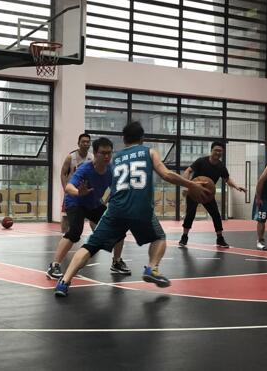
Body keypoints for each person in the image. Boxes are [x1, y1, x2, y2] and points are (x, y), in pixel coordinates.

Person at [54, 121, 211, 297]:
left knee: (90, 246)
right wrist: (191, 185)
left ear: (124, 139)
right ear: (142, 138)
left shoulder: (116, 159)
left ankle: (64, 282)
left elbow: (111, 184)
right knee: (159, 238)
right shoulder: (149, 152)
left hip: (116, 209)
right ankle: (152, 268)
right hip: (140, 208)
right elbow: (166, 174)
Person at [47, 137, 130, 279]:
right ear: (95, 153)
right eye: (103, 153)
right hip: (75, 202)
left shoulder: (111, 170)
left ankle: (116, 262)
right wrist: (79, 192)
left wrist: (109, 202)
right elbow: (68, 187)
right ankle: (54, 265)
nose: (106, 156)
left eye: (109, 153)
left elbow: (114, 189)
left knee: (119, 228)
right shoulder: (85, 169)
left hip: (93, 204)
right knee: (75, 232)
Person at [179, 141, 246, 249]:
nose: (218, 153)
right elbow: (188, 171)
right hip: (194, 192)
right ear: (211, 150)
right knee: (190, 214)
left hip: (207, 194)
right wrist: (186, 186)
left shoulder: (221, 167)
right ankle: (184, 236)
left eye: (220, 151)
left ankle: (220, 238)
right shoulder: (201, 161)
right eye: (216, 150)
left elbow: (227, 179)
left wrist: (236, 186)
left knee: (215, 214)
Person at [59, 133, 94, 233]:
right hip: (72, 191)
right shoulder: (71, 157)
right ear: (78, 143)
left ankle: (97, 237)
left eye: (87, 142)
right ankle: (64, 235)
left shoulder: (92, 157)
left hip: (86, 192)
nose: (85, 144)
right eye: (83, 142)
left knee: (93, 215)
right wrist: (65, 188)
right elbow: (63, 174)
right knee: (66, 216)